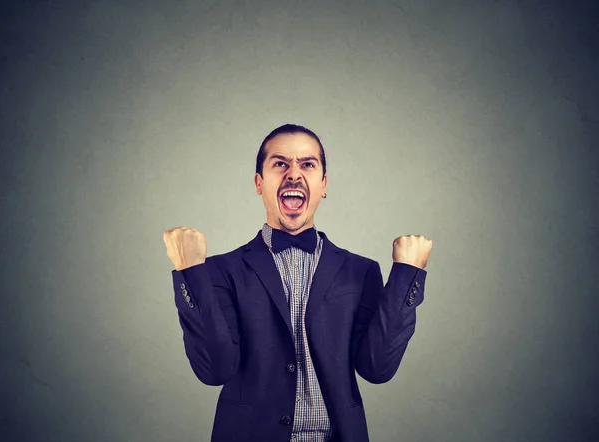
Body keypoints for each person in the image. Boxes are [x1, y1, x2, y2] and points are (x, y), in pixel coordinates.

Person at [162, 124, 433, 442]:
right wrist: (191, 271)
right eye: (280, 163)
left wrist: (407, 273)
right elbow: (215, 370)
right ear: (259, 184)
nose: (293, 174)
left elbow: (377, 368)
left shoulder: (360, 271)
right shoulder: (223, 270)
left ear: (323, 184)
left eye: (307, 164)